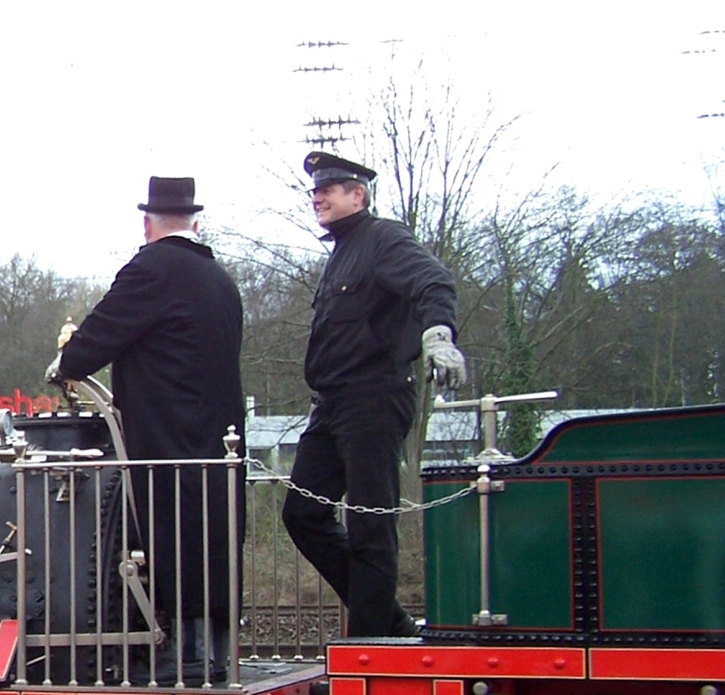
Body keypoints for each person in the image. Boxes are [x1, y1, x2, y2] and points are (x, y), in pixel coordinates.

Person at [48, 176, 245, 666]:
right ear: (194, 221)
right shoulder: (219, 279)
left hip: (167, 441)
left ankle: (185, 652)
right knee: (214, 540)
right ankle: (217, 649)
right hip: (219, 444)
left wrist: (65, 364)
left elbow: (99, 335)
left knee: (173, 538)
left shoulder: (152, 270)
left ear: (146, 222)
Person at [281, 151, 465, 637]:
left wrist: (438, 335)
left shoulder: (384, 238)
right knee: (303, 513)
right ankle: (389, 622)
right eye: (314, 190)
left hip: (374, 399)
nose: (316, 196)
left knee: (371, 526)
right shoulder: (342, 249)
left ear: (357, 194)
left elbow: (433, 281)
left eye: (328, 189)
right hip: (332, 404)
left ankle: (370, 647)